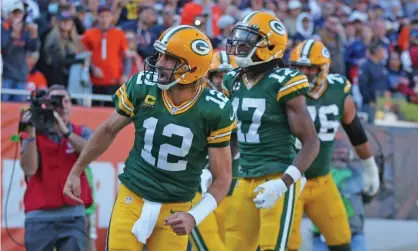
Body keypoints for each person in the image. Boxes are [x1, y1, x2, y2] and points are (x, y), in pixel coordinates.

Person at [63, 25, 235, 251]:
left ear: (192, 68)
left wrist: (194, 216)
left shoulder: (215, 109)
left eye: (170, 58)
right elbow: (108, 130)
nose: (160, 62)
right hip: (133, 197)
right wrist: (77, 170)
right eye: (161, 54)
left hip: (176, 207)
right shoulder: (144, 86)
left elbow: (222, 178)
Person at [223, 11, 320, 251]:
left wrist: (284, 183)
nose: (240, 43)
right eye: (240, 36)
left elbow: (311, 142)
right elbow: (230, 138)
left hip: (278, 175)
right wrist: (211, 169)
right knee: (234, 245)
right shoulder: (232, 80)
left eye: (249, 38)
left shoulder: (284, 81)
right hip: (244, 175)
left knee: (271, 246)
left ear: (269, 45)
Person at [287, 39, 380, 251]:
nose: (303, 72)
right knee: (286, 245)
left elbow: (355, 131)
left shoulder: (338, 90)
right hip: (289, 182)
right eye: (298, 67)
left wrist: (370, 169)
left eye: (309, 67)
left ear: (323, 68)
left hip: (322, 180)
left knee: (341, 241)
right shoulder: (283, 90)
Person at [19, 85, 93, 251]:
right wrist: (30, 132)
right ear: (47, 105)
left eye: (65, 100)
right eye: (56, 101)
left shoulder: (81, 131)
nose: (62, 105)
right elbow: (29, 170)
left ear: (71, 105)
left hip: (73, 213)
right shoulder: (34, 133)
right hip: (39, 213)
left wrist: (65, 132)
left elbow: (92, 152)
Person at [189, 51, 238, 251]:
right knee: (209, 244)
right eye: (218, 75)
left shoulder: (242, 101)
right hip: (197, 183)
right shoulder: (196, 101)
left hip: (232, 184)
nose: (222, 80)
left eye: (227, 75)